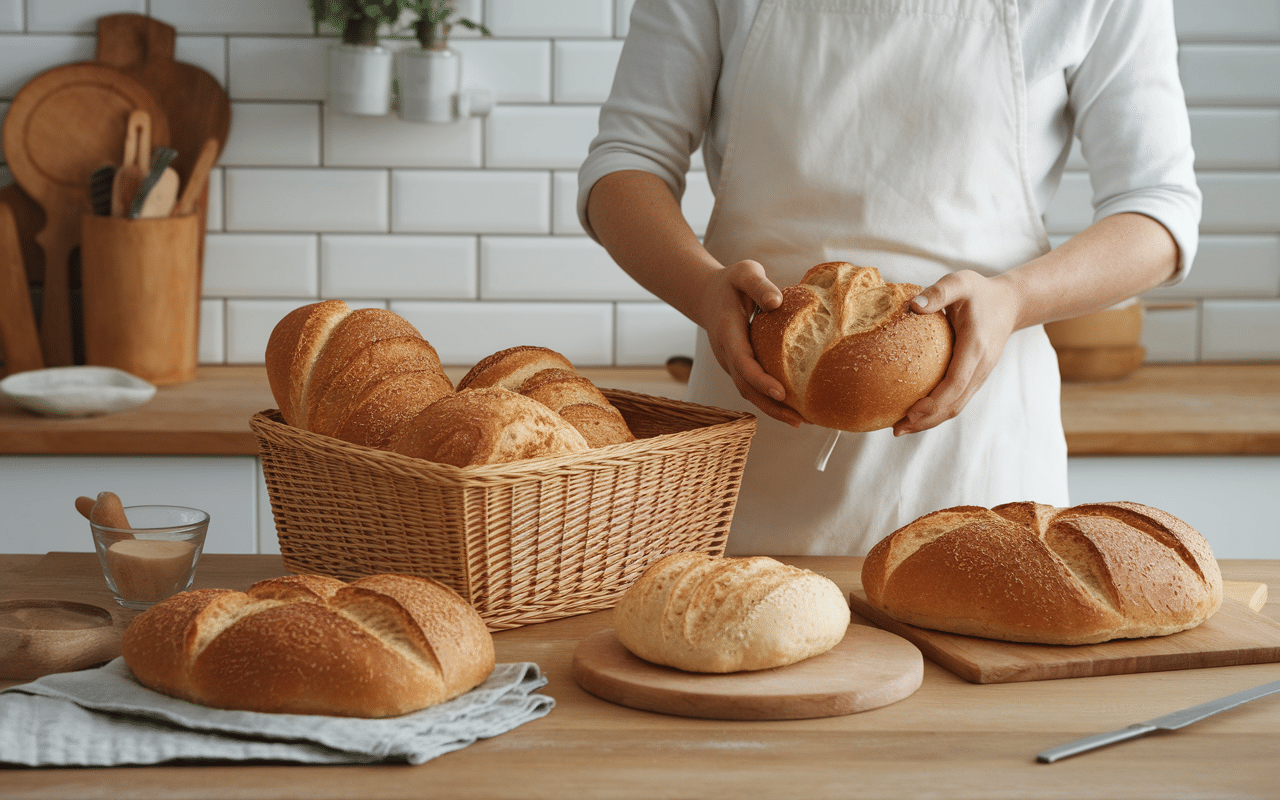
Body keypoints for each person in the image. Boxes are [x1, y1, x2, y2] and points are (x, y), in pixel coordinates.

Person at [578, 0, 1202, 556]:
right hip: (750, 455)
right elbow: (625, 164)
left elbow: (1159, 210)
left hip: (977, 456)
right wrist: (702, 290)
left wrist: (1014, 298)